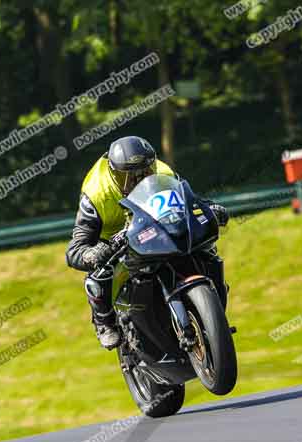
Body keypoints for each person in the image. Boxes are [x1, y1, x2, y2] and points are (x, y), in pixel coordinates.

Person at [66, 136, 229, 349]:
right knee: (101, 274)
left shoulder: (164, 173)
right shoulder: (97, 194)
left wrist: (209, 209)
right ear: (114, 175)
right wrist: (91, 253)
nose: (139, 180)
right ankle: (104, 322)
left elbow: (191, 200)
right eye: (130, 177)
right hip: (113, 238)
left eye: (145, 172)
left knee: (204, 247)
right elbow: (75, 248)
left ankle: (212, 298)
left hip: (152, 224)